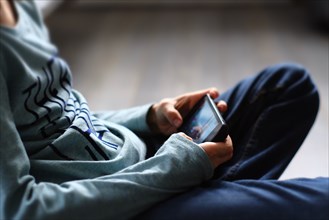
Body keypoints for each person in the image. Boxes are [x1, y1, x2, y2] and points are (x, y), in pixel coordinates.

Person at [0, 1, 328, 220]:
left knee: (288, 86)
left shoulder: (20, 5)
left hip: (142, 166)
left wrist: (150, 118)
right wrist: (171, 171)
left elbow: (61, 115)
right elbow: (22, 210)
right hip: (113, 205)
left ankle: (211, 197)